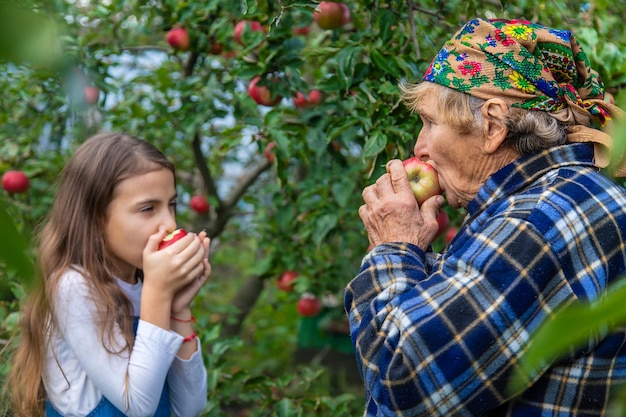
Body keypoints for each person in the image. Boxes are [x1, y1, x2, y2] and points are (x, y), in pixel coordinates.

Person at [346, 17, 626, 416]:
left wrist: (394, 247)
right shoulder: (557, 200)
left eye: (429, 122)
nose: (419, 146)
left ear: (493, 125)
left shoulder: (539, 221)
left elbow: (404, 381)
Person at [7, 132, 210, 416]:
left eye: (172, 204)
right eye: (148, 208)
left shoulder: (145, 287)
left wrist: (178, 308)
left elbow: (190, 407)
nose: (169, 223)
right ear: (96, 217)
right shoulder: (73, 287)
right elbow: (137, 407)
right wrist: (159, 294)